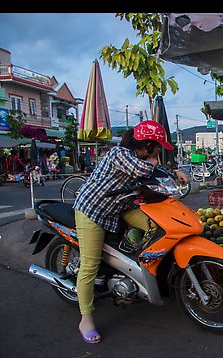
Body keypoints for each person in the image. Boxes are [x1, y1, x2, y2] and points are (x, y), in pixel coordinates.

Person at [72, 120, 188, 344]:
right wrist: (159, 164)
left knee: (160, 227)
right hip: (93, 210)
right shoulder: (119, 153)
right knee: (89, 265)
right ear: (146, 144)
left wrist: (174, 172)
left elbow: (156, 171)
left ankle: (137, 271)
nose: (159, 151)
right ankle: (85, 318)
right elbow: (142, 169)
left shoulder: (142, 157)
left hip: (121, 207)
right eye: (157, 147)